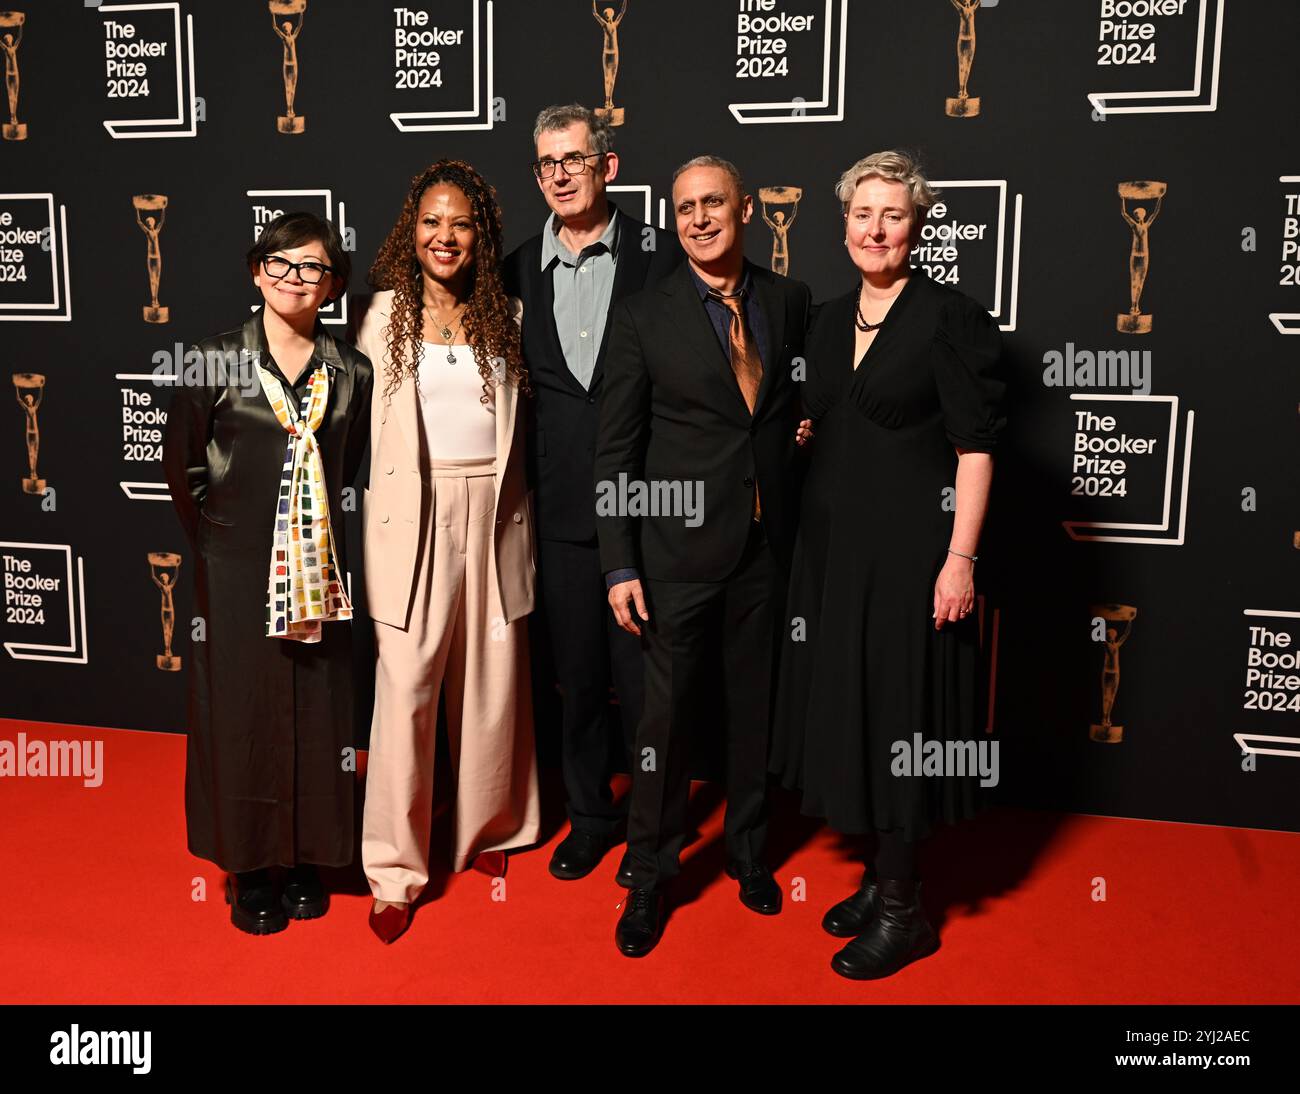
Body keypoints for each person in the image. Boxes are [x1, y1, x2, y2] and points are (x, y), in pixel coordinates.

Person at [771, 150, 1006, 980]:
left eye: (893, 215)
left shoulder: (951, 317)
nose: (875, 229)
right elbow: (818, 422)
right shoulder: (827, 320)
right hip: (834, 560)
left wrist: (960, 561)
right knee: (862, 717)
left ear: (918, 224)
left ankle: (907, 912)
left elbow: (975, 450)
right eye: (862, 214)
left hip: (913, 558)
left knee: (903, 720)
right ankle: (879, 876)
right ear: (842, 224)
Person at [595, 155, 812, 957]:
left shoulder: (789, 301)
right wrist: (620, 563)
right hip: (674, 555)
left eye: (712, 202)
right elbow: (615, 451)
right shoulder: (643, 316)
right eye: (684, 207)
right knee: (665, 722)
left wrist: (804, 431)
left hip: (765, 549)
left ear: (745, 208)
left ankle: (749, 854)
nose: (698, 218)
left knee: (753, 714)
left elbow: (794, 400)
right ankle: (648, 877)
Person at [162, 212, 372, 935]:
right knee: (241, 711)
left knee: (321, 709)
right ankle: (252, 866)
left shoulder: (352, 370)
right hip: (236, 566)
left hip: (322, 566)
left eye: (312, 267)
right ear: (257, 272)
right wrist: (227, 545)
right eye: (280, 264)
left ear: (334, 285)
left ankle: (312, 857)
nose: (294, 278)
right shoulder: (212, 360)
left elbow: (358, 468)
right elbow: (184, 471)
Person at [356, 160, 539, 945]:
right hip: (412, 513)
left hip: (494, 512)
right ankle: (394, 870)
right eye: (432, 221)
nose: (445, 235)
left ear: (481, 233)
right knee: (406, 690)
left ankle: (489, 829)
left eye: (460, 222)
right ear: (412, 230)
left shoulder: (510, 316)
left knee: (493, 680)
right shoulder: (378, 318)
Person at [502, 104, 682, 881]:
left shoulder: (661, 255)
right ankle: (590, 817)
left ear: (608, 167)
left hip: (647, 510)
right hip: (561, 514)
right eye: (547, 164)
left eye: (574, 159)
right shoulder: (509, 272)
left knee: (649, 688)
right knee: (575, 680)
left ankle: (655, 830)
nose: (560, 175)